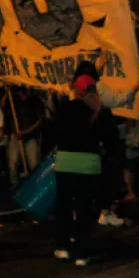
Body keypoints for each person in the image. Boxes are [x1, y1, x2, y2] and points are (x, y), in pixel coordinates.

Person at [53, 74, 103, 266]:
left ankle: (63, 246)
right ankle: (82, 252)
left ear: (77, 90)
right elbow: (105, 136)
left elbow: (55, 132)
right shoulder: (97, 109)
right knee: (84, 208)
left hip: (65, 161)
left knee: (64, 206)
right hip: (88, 164)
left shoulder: (65, 108)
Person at [5, 87, 43, 188]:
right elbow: (3, 110)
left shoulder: (34, 100)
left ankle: (37, 187)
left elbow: (40, 119)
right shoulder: (11, 99)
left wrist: (26, 131)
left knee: (34, 164)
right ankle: (15, 188)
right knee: (12, 163)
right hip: (15, 136)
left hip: (30, 136)